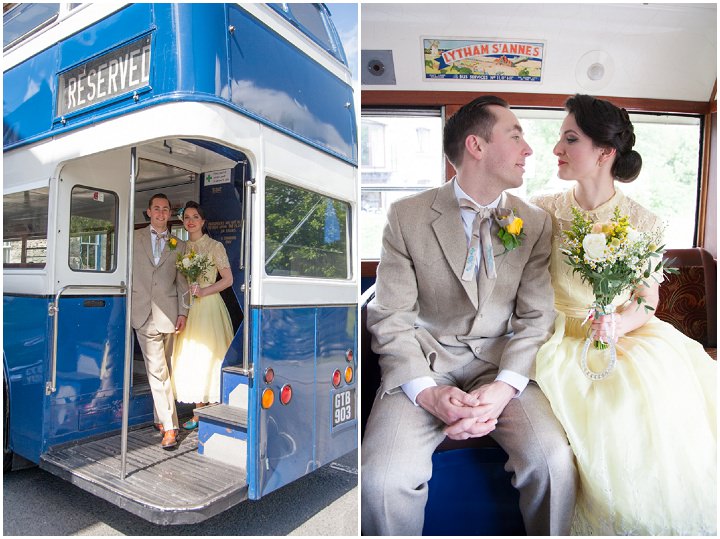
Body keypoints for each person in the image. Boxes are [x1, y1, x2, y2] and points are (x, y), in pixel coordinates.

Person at [362, 95, 578, 535]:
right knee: (382, 481)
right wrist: (425, 392)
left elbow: (537, 318)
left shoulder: (533, 222)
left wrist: (504, 387)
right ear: (476, 146)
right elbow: (390, 316)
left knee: (553, 463)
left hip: (500, 366)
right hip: (426, 364)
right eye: (515, 135)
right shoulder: (406, 217)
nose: (529, 149)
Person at [531, 94, 717, 535]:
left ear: (604, 152)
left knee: (641, 421)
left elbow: (646, 301)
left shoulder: (644, 222)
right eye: (559, 138)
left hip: (621, 335)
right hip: (552, 335)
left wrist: (617, 324)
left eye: (569, 139)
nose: (556, 149)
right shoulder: (542, 210)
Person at [132, 193, 189, 449]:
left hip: (169, 314)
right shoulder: (135, 239)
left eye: (166, 209)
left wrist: (183, 312)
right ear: (148, 212)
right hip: (143, 313)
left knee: (165, 369)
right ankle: (170, 426)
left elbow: (183, 283)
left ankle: (159, 417)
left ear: (169, 213)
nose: (161, 213)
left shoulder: (179, 244)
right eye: (157, 209)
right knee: (157, 371)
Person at [171, 201, 234, 430]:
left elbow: (228, 280)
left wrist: (205, 290)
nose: (190, 221)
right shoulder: (181, 248)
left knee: (210, 354)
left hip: (209, 306)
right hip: (190, 307)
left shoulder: (215, 246)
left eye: (195, 217)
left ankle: (214, 410)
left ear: (203, 221)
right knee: (192, 356)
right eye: (187, 217)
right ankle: (198, 413)